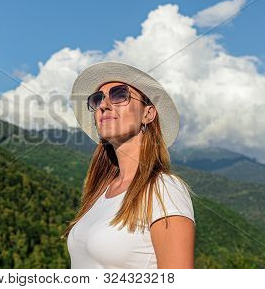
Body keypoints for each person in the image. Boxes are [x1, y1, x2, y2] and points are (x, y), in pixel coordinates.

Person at [61, 61, 196, 269]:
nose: (104, 105)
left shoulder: (163, 189)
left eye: (119, 95)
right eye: (97, 100)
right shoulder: (99, 193)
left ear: (148, 114)